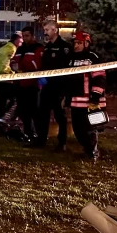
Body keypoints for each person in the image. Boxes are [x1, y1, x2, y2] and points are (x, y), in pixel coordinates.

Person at [65, 30, 106, 161]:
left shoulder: (92, 58)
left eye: (79, 43)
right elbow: (68, 80)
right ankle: (87, 150)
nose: (76, 45)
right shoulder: (71, 58)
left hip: (90, 101)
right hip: (76, 101)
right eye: (75, 43)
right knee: (77, 129)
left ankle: (93, 153)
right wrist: (66, 98)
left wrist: (96, 94)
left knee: (90, 128)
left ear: (86, 43)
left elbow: (100, 77)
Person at [33, 20, 72, 149]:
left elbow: (65, 68)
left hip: (59, 86)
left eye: (47, 30)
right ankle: (41, 140)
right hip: (46, 87)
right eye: (44, 30)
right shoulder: (47, 47)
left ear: (54, 30)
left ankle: (62, 143)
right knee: (42, 114)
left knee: (60, 116)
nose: (45, 33)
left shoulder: (64, 47)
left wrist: (65, 91)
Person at [15, 26, 45, 142]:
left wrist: (23, 65)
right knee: (23, 111)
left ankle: (39, 135)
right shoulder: (20, 49)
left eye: (27, 36)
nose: (25, 38)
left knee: (35, 111)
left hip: (34, 85)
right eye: (23, 36)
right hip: (20, 84)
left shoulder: (38, 48)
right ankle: (29, 133)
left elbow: (37, 65)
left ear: (33, 36)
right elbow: (13, 62)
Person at [0, 33, 22, 121]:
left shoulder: (3, 47)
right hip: (6, 77)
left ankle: (0, 117)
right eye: (21, 40)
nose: (21, 42)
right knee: (15, 98)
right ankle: (7, 116)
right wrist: (12, 73)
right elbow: (6, 64)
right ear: (16, 40)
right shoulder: (12, 49)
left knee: (2, 99)